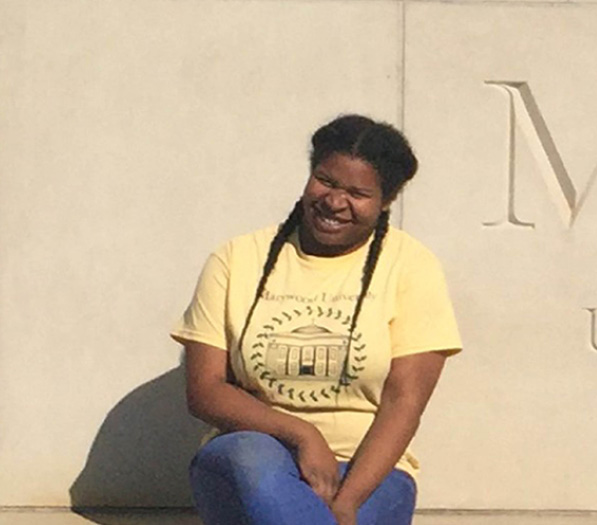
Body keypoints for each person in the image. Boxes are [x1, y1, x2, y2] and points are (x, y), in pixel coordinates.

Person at [170, 114, 462, 525]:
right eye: (326, 181)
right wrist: (303, 434)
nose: (335, 201)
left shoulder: (412, 267)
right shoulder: (237, 259)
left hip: (368, 474)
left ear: (385, 202)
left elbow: (404, 403)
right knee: (253, 465)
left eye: (358, 193)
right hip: (255, 461)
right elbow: (204, 390)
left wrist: (347, 502)